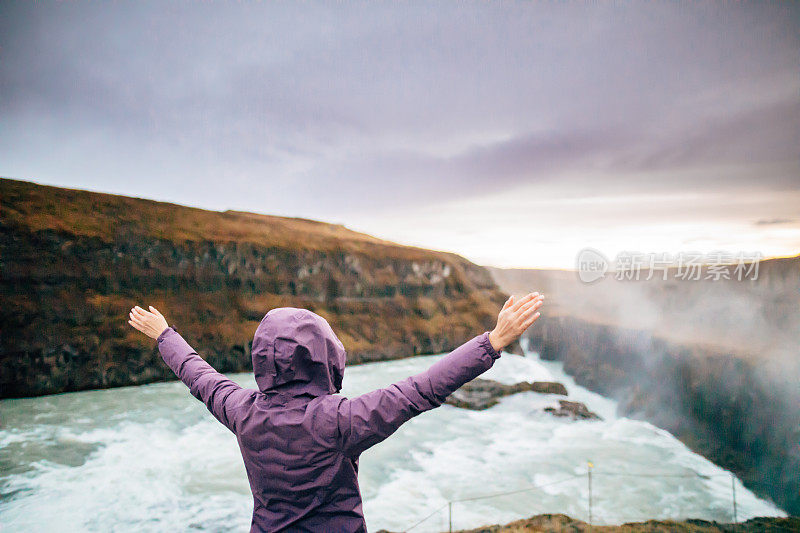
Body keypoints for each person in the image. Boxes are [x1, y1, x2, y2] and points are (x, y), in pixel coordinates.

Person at [128, 291, 544, 532]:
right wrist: (491, 342)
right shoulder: (340, 421)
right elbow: (423, 389)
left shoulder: (242, 411)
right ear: (326, 357)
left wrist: (165, 334)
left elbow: (197, 375)